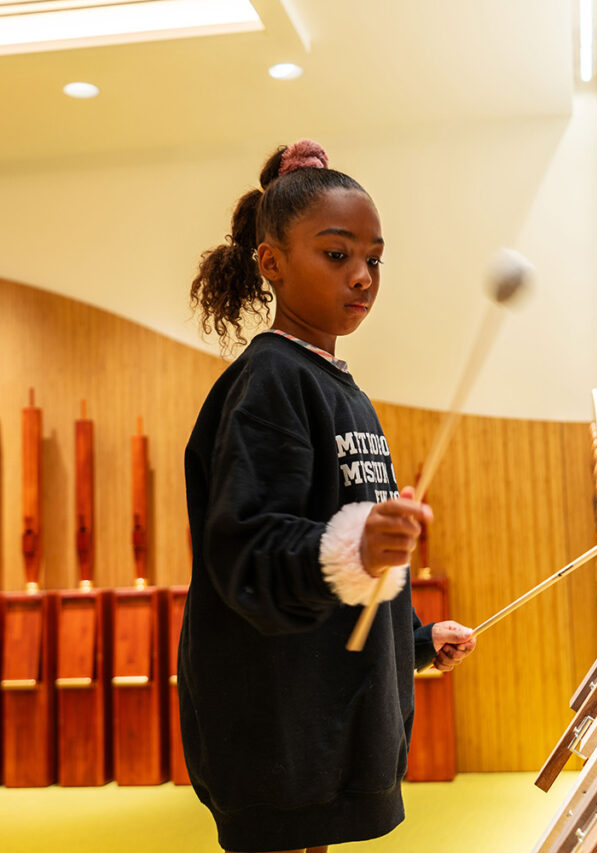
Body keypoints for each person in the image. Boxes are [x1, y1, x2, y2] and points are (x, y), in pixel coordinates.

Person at [178, 139, 477, 853]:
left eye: (375, 258)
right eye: (337, 255)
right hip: (278, 715)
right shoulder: (268, 382)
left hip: (332, 716)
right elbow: (248, 553)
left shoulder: (346, 393)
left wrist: (414, 639)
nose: (363, 276)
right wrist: (356, 542)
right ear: (272, 261)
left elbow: (359, 566)